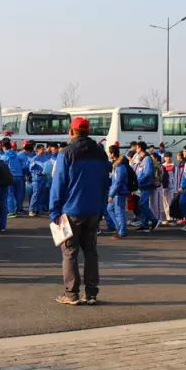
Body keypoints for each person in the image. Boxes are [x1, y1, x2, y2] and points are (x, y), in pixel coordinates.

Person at [49, 117, 109, 306]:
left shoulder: (67, 153)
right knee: (90, 251)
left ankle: (72, 293)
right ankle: (91, 293)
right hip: (93, 210)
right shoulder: (100, 153)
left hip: (71, 210)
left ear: (72, 131)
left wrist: (54, 211)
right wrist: (101, 208)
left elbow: (58, 183)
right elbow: (105, 183)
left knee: (70, 252)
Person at [132, 141, 159, 232]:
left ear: (140, 148)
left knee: (142, 203)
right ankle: (144, 224)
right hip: (142, 185)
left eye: (137, 148)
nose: (136, 149)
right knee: (144, 204)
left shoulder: (147, 159)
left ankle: (154, 220)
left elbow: (148, 173)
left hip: (146, 184)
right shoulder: (142, 158)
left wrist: (138, 181)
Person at [105, 145, 129, 239]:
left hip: (119, 192)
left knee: (119, 212)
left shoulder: (120, 166)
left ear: (112, 154)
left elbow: (118, 182)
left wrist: (111, 194)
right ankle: (119, 228)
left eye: (109, 153)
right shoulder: (117, 165)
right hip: (117, 192)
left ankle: (122, 231)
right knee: (110, 209)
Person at [0, 138, 24, 217]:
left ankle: (11, 211)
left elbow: (2, 168)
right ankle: (18, 209)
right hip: (19, 176)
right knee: (18, 194)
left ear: (4, 147)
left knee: (10, 194)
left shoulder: (4, 156)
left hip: (10, 176)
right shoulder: (16, 155)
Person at [29, 144, 49, 217]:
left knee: (42, 194)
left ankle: (38, 209)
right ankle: (31, 210)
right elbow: (31, 169)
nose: (44, 151)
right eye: (42, 149)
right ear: (38, 150)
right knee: (36, 194)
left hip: (44, 178)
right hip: (37, 178)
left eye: (44, 149)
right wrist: (38, 172)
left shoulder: (45, 158)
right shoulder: (34, 159)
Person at [162, 152, 176, 224]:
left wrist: (176, 188)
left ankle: (172, 217)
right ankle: (168, 217)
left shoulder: (173, 166)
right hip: (164, 187)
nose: (168, 158)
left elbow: (176, 177)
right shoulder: (162, 166)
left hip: (171, 187)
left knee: (171, 203)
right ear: (164, 158)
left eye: (169, 157)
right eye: (166, 157)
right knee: (165, 203)